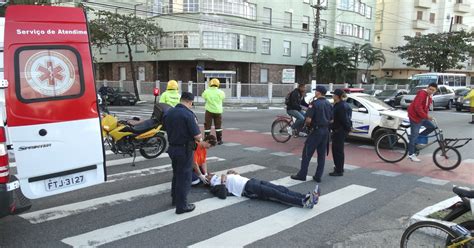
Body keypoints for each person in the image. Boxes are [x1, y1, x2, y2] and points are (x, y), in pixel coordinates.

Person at [163, 92, 205, 214]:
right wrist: (200, 138)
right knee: (184, 178)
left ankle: (175, 199)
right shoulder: (188, 114)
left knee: (176, 174)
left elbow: (165, 127)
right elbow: (197, 136)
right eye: (192, 103)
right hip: (184, 149)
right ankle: (182, 206)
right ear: (189, 101)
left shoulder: (169, 112)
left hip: (172, 148)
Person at [206, 170, 320, 209]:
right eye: (207, 175)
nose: (209, 174)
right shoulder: (215, 186)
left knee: (281, 188)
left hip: (251, 181)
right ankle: (304, 202)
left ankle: (306, 197)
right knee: (276, 193)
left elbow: (235, 179)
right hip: (248, 188)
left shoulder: (220, 177)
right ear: (207, 180)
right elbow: (223, 195)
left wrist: (234, 174)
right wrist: (223, 180)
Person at [291, 86, 333, 183]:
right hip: (325, 131)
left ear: (319, 92)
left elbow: (308, 120)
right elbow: (332, 119)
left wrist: (307, 126)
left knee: (307, 153)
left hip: (316, 131)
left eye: (316, 91)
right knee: (321, 155)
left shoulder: (314, 104)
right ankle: (318, 176)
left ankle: (302, 174)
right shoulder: (328, 104)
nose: (315, 93)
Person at [407, 83, 438, 162]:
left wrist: (426, 116)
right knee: (414, 135)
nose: (431, 91)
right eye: (430, 89)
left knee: (432, 127)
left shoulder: (429, 96)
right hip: (414, 116)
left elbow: (425, 107)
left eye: (433, 90)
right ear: (427, 88)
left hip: (421, 116)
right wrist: (427, 117)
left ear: (435, 91)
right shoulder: (422, 93)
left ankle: (415, 139)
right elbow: (418, 107)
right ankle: (411, 154)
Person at [329, 89, 352, 177]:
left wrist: (347, 129)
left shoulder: (340, 106)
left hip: (339, 131)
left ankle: (339, 170)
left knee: (337, 151)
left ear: (337, 96)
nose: (333, 96)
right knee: (337, 150)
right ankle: (338, 167)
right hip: (339, 130)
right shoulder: (341, 105)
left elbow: (344, 120)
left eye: (334, 94)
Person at [202, 78, 226, 145]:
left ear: (210, 84)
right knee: (218, 126)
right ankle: (219, 140)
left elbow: (203, 96)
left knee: (207, 126)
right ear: (218, 84)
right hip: (218, 111)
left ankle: (206, 139)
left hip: (209, 111)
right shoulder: (221, 92)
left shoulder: (207, 91)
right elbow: (223, 98)